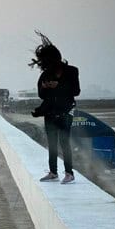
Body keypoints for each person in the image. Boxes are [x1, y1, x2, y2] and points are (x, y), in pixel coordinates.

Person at [29, 32, 81, 184]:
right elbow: (42, 95)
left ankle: (69, 173)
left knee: (65, 142)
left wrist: (59, 86)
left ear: (56, 59)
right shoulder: (45, 74)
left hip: (67, 110)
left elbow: (76, 91)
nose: (47, 66)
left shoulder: (72, 71)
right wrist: (45, 87)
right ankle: (53, 172)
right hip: (50, 111)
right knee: (51, 143)